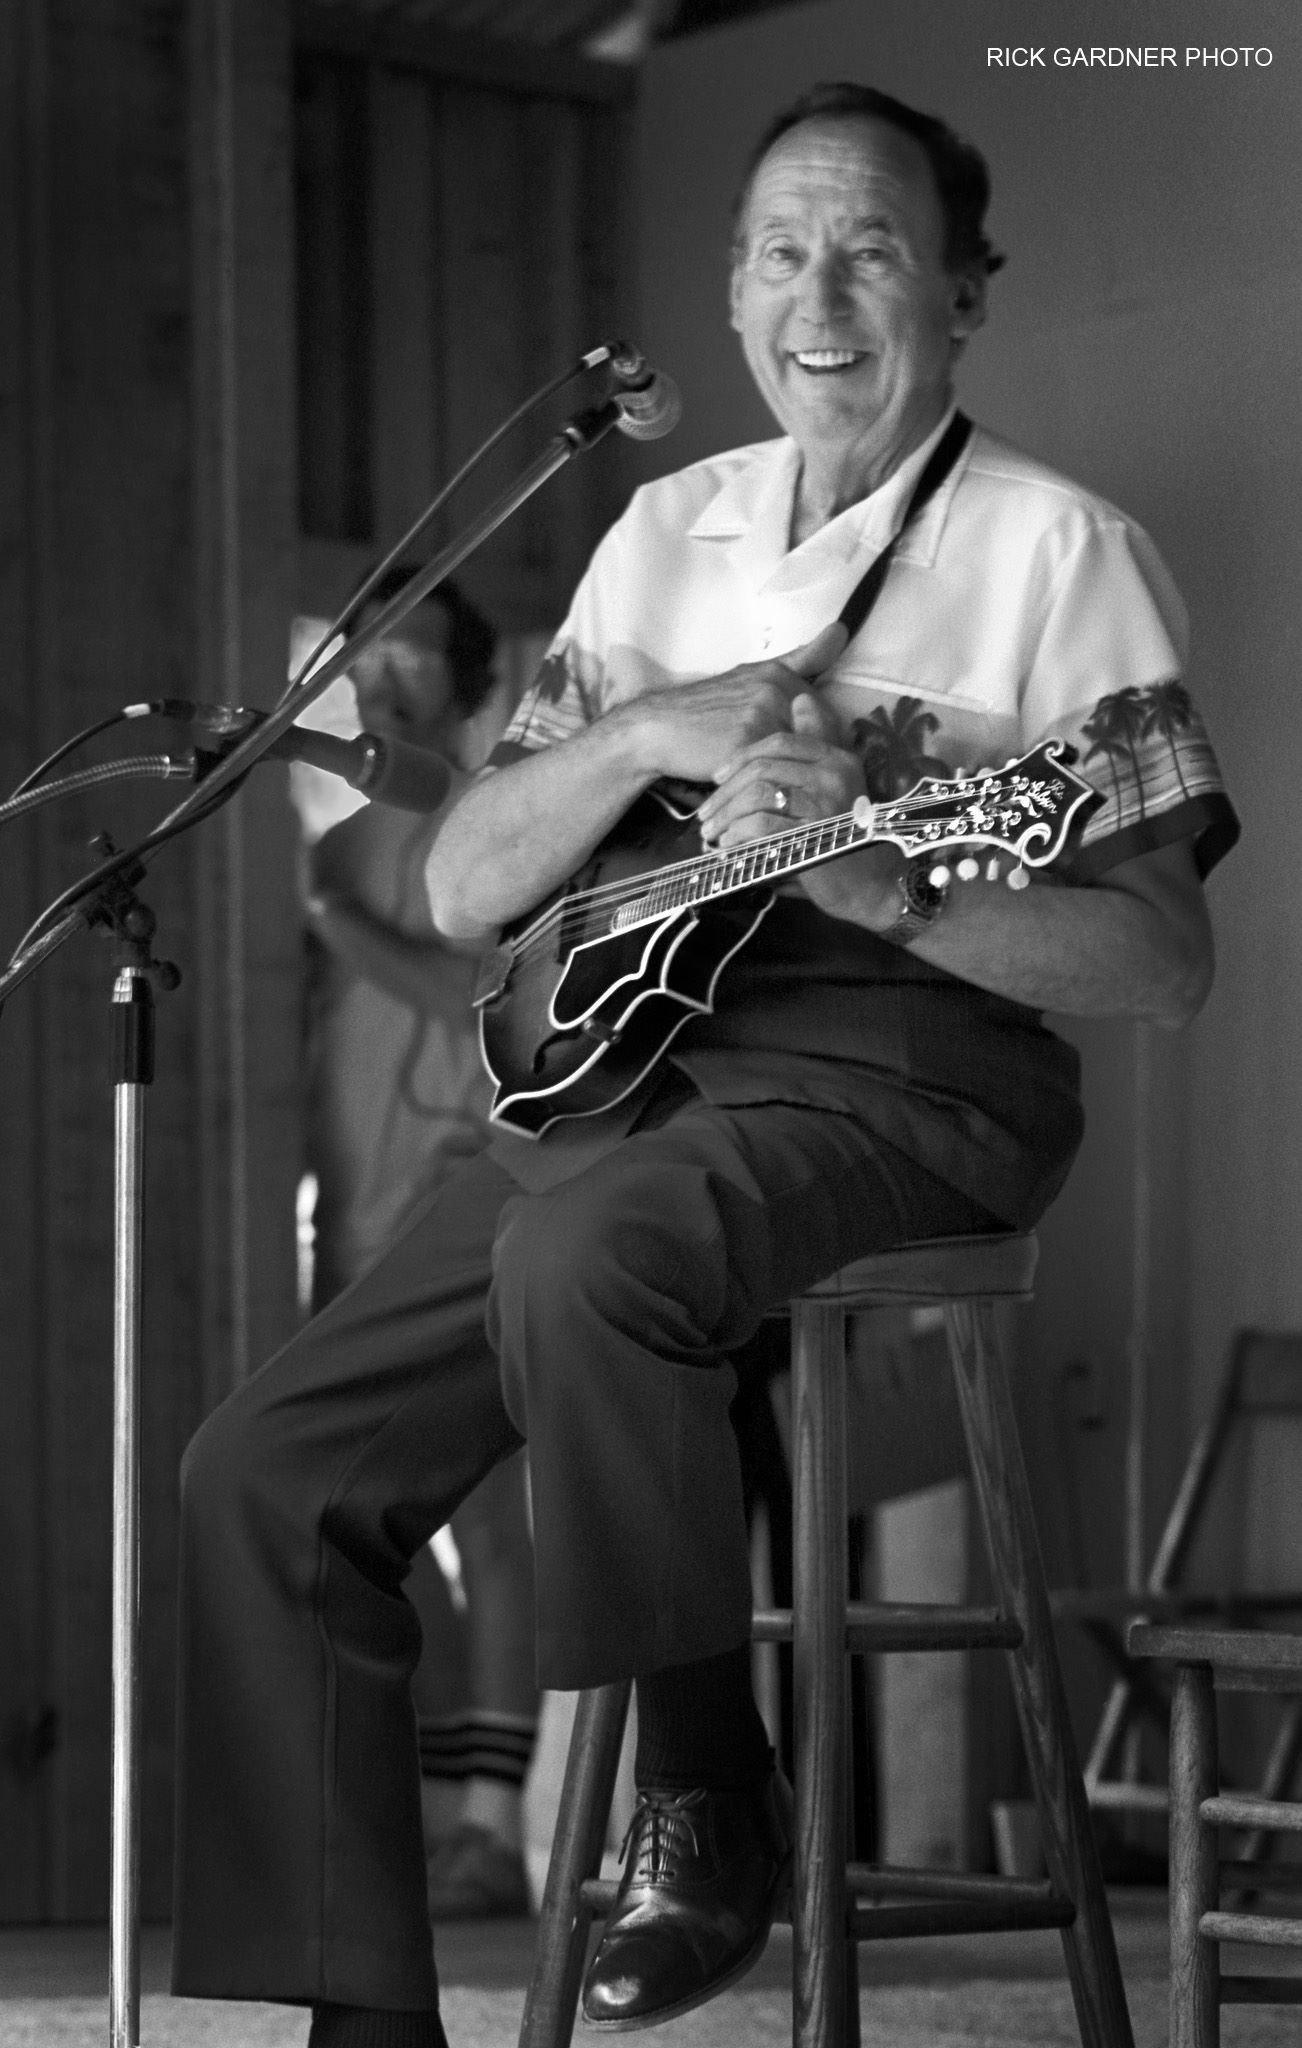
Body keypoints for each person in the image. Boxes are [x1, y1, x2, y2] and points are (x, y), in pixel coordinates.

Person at [172, 83, 1237, 2048]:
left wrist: (886, 879)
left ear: (965, 291)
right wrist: (648, 730)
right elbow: (477, 874)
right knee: (258, 1468)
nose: (818, 291)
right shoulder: (661, 531)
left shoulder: (1064, 556)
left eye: (874, 247)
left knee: (597, 1266)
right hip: (608, 1063)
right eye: (777, 250)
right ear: (735, 290)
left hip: (912, 1078)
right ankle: (360, 2018)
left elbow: (1161, 962)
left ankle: (705, 1793)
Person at [296, 571, 538, 1920]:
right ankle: (446, 1810)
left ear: (465, 680)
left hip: (464, 1197)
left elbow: (467, 999)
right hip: (347, 1217)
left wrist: (333, 927)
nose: (380, 683)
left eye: (408, 657)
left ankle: (495, 1827)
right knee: (354, 1521)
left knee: (490, 1521)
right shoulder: (329, 854)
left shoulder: (485, 825)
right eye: (361, 658)